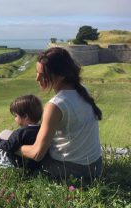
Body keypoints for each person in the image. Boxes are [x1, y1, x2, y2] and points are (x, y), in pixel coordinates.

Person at [19, 47, 103, 181]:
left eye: (43, 75)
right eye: (37, 72)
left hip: (74, 172)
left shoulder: (55, 105)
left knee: (12, 139)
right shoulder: (83, 90)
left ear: (61, 75)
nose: (37, 78)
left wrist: (15, 148)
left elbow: (37, 154)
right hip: (96, 167)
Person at [0, 94, 43, 170]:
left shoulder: (20, 132)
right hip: (30, 165)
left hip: (13, 163)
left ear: (25, 117)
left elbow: (9, 146)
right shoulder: (41, 129)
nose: (15, 119)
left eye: (16, 116)